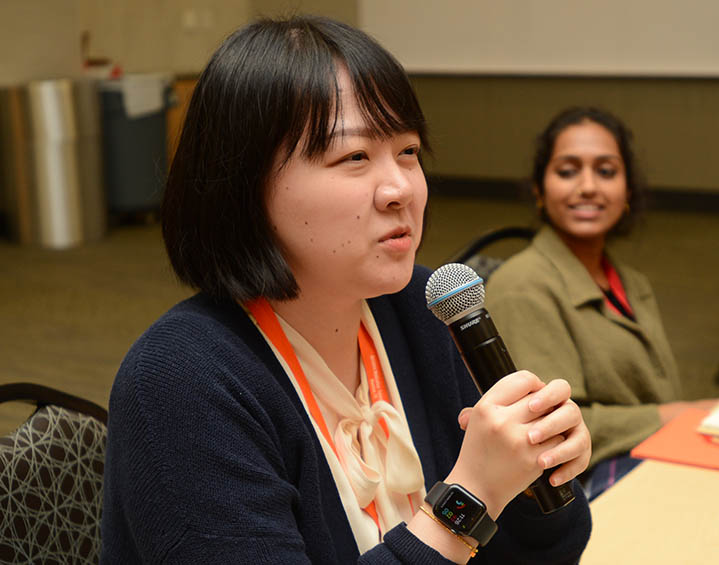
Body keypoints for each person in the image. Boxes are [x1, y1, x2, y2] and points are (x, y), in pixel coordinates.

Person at [100, 16, 592, 564]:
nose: (400, 189)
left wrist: (536, 477)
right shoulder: (180, 384)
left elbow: (546, 553)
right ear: (244, 186)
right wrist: (468, 499)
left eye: (408, 151)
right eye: (354, 157)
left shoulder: (424, 310)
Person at [484, 107, 715, 499]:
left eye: (606, 171)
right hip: (577, 491)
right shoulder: (522, 286)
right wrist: (673, 416)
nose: (588, 186)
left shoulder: (629, 281)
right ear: (540, 191)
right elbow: (545, 432)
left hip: (649, 458)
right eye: (567, 171)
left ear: (627, 192)